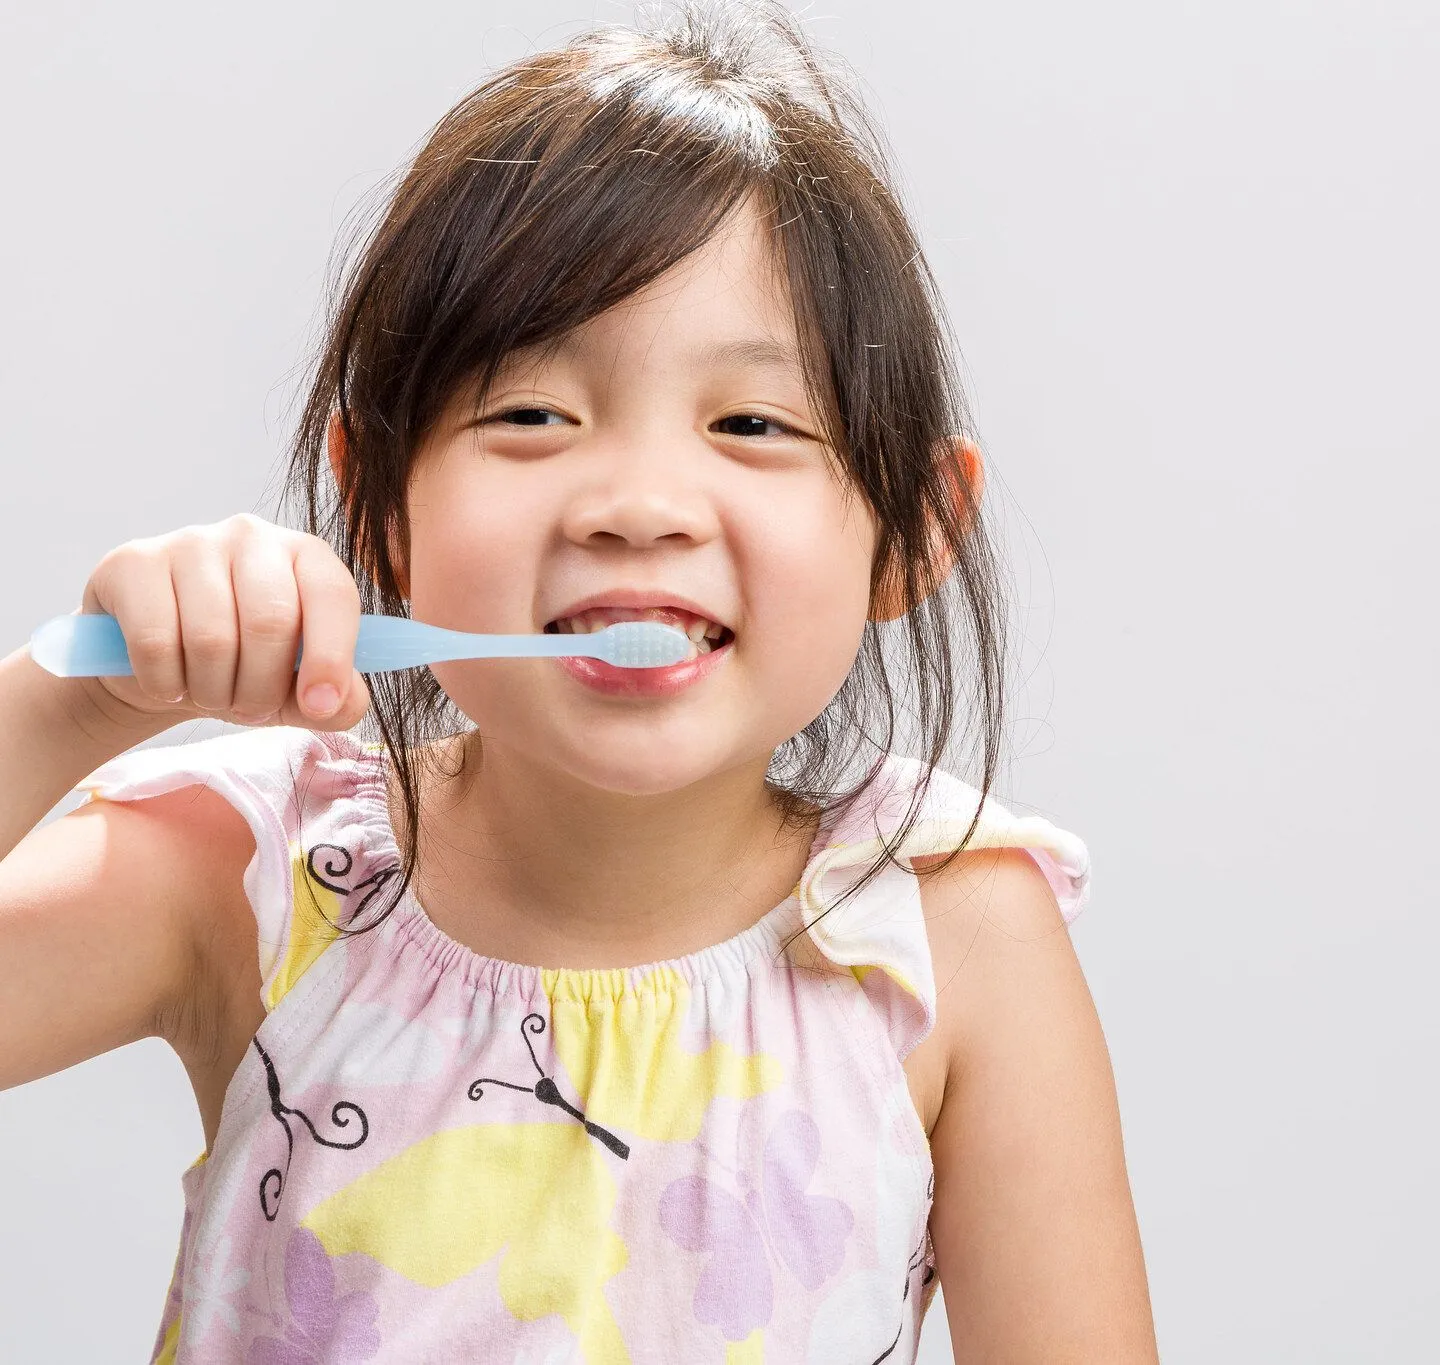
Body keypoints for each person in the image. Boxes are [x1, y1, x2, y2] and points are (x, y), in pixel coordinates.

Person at [0, 2, 1158, 1360]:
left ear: (911, 533)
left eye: (750, 423)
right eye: (532, 413)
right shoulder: (251, 877)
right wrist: (68, 703)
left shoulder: (948, 943)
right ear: (378, 507)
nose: (641, 502)